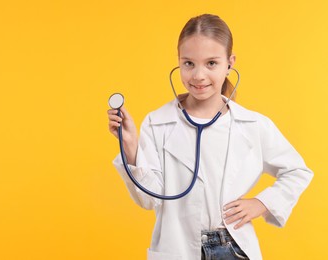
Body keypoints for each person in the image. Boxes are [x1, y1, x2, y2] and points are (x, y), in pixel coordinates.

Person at [107, 14, 313, 260]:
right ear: (179, 62)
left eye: (212, 63)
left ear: (230, 63)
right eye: (189, 63)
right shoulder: (157, 122)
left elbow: (298, 171)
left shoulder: (253, 125)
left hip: (233, 247)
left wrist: (262, 202)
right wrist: (130, 147)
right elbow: (149, 200)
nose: (198, 75)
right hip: (179, 247)